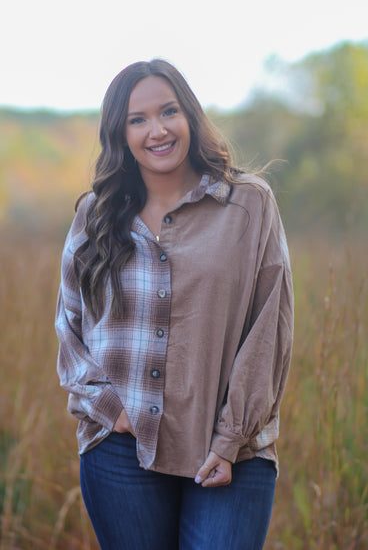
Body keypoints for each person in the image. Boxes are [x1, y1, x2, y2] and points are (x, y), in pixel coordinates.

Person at [55, 59, 293, 550]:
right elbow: (70, 322)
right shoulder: (94, 215)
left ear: (190, 116)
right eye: (137, 119)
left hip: (231, 452)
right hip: (120, 449)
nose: (157, 130)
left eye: (168, 112)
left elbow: (270, 326)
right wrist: (107, 405)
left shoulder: (248, 204)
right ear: (120, 134)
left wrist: (230, 441)